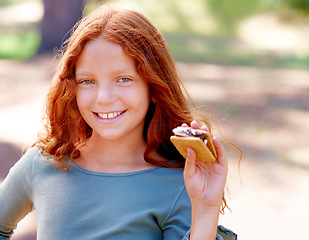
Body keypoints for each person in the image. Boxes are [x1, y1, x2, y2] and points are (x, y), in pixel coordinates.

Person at [0, 5, 238, 240]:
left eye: (124, 79)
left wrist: (206, 208)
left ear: (153, 87)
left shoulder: (179, 184)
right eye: (87, 81)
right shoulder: (42, 164)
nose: (103, 98)